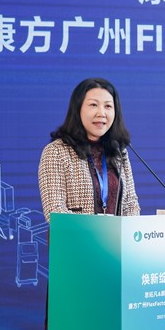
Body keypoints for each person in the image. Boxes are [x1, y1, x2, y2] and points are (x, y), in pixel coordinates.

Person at [38, 78, 140, 222]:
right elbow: (54, 210)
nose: (101, 113)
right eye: (93, 105)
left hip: (116, 237)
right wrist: (95, 231)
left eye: (108, 106)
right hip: (75, 236)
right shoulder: (56, 152)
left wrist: (129, 229)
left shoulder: (118, 151)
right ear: (78, 109)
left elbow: (131, 204)